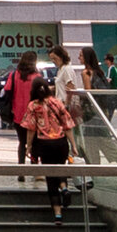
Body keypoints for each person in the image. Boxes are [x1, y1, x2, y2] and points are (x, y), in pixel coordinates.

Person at [23, 78, 77, 220]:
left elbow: (31, 129)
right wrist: (74, 146)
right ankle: (64, 187)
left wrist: (28, 146)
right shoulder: (57, 102)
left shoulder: (33, 106)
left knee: (50, 178)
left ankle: (58, 215)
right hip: (61, 143)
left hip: (44, 144)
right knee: (60, 168)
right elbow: (68, 124)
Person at [0, 53, 41, 168]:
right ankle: (34, 167)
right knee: (34, 143)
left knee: (22, 142)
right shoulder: (37, 77)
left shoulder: (14, 75)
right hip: (34, 114)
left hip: (17, 113)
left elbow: (7, 89)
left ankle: (21, 169)